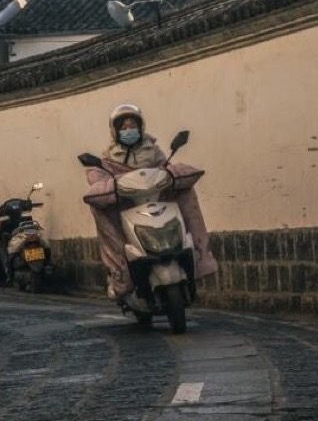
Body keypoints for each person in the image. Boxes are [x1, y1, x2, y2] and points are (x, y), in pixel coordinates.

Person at [85, 102, 218, 301]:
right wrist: (107, 184)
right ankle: (120, 271)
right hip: (127, 209)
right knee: (100, 212)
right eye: (124, 127)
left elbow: (165, 168)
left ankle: (199, 256)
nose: (129, 130)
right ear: (115, 130)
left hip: (157, 203)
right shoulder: (108, 160)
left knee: (186, 193)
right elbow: (97, 181)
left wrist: (172, 174)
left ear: (141, 127)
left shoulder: (154, 152)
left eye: (133, 126)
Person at [105, 103, 166, 168]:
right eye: (124, 128)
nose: (128, 131)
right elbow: (103, 174)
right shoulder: (109, 155)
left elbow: (166, 170)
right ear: (115, 132)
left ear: (140, 128)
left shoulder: (153, 150)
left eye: (133, 127)